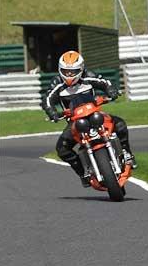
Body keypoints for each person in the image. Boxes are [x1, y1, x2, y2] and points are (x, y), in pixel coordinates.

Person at [43, 51, 137, 187]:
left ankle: (127, 154)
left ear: (80, 69)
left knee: (120, 124)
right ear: (60, 70)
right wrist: (52, 112)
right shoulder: (57, 83)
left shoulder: (88, 76)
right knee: (62, 149)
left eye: (73, 71)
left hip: (94, 114)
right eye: (65, 71)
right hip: (75, 122)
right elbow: (47, 99)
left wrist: (111, 90)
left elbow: (104, 82)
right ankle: (83, 173)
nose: (69, 75)